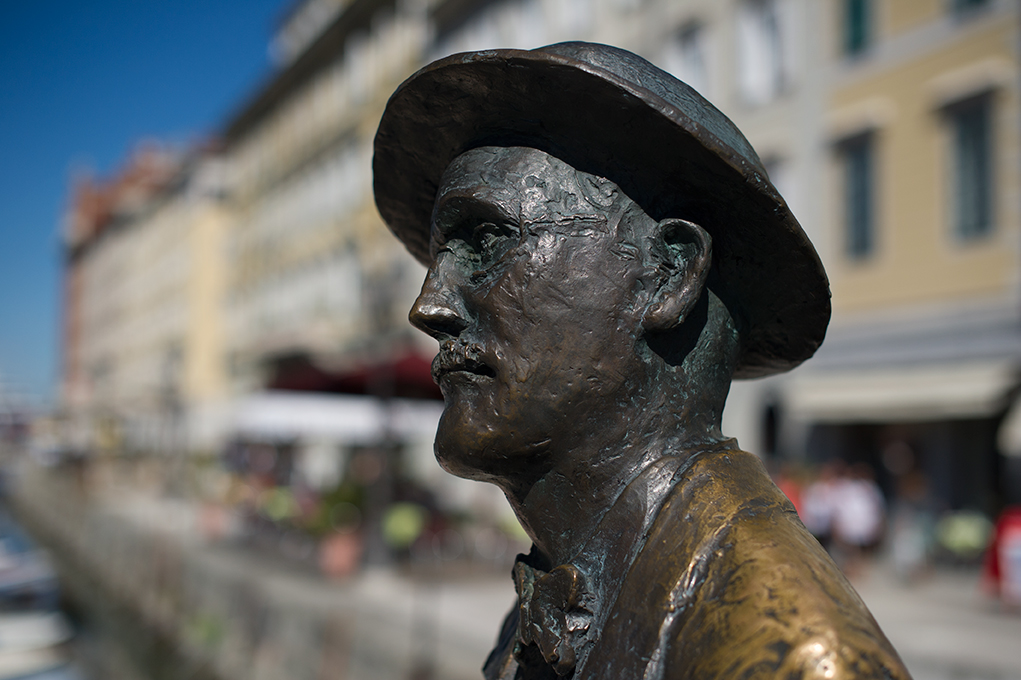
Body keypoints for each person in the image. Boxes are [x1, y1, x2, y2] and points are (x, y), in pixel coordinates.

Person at [374, 42, 910, 680]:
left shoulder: (793, 658)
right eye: (438, 258)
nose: (428, 307)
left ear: (668, 276)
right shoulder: (546, 605)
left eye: (488, 239)